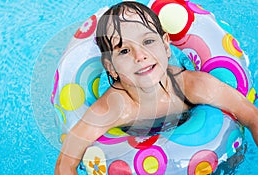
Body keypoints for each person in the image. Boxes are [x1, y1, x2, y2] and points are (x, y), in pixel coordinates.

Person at [55, 1, 258, 174]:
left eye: (148, 41)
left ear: (166, 46)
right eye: (124, 50)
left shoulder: (192, 85)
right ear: (110, 67)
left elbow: (250, 115)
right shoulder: (113, 107)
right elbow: (67, 159)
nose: (140, 56)